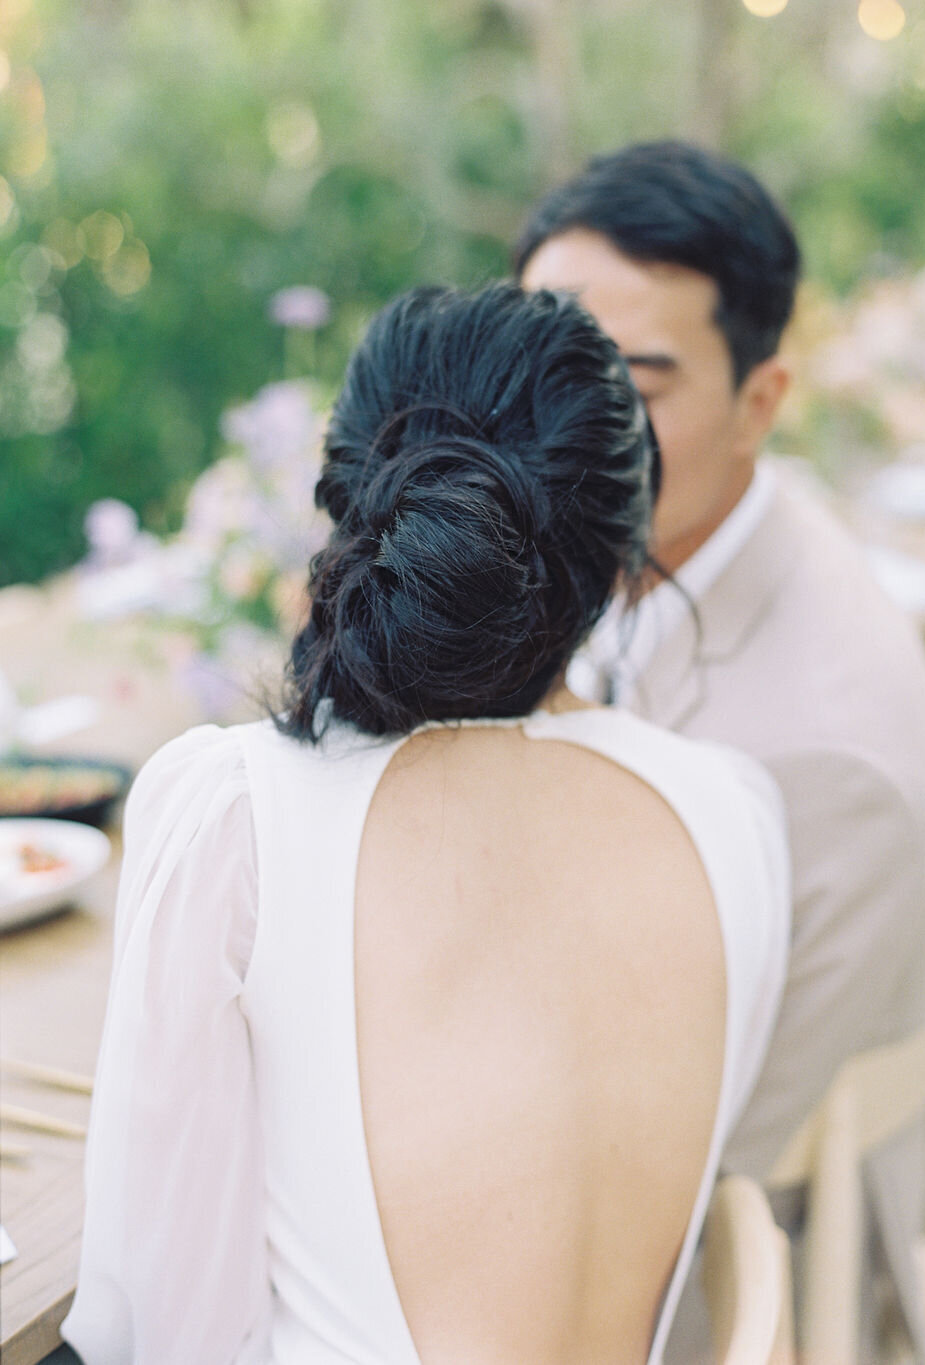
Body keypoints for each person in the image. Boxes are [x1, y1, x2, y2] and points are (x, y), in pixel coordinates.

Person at [62, 282, 790, 1365]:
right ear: (622, 541)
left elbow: (156, 1333)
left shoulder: (239, 813)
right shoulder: (731, 809)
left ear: (352, 506)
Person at [515, 141, 925, 1358]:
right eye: (541, 371)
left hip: (712, 1283)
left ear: (760, 401)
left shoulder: (822, 764)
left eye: (634, 391)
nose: (559, 435)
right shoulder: (665, 531)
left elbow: (675, 1159)